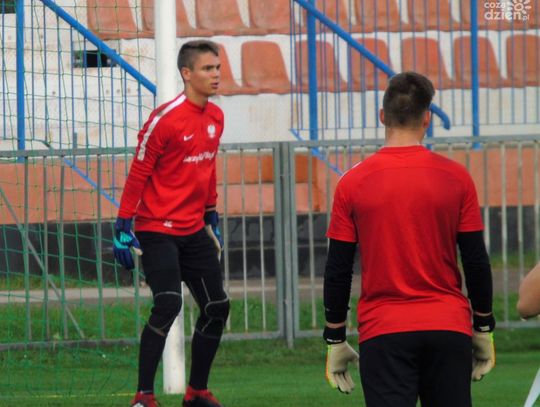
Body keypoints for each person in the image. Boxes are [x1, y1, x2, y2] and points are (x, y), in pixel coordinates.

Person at [322, 72, 496, 407]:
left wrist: (335, 336)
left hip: (384, 330)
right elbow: (475, 259)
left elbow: (338, 268)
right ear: (427, 118)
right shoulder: (456, 177)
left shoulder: (353, 183)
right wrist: (484, 326)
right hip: (447, 325)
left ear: (382, 116)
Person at [112, 40, 228, 407]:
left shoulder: (216, 117)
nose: (216, 75)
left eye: (217, 68)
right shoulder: (165, 119)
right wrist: (123, 225)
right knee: (167, 304)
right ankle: (143, 397)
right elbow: (139, 172)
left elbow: (207, 167)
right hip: (156, 229)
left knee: (217, 307)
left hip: (194, 229)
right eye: (208, 68)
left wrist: (211, 213)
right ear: (187, 73)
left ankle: (196, 393)